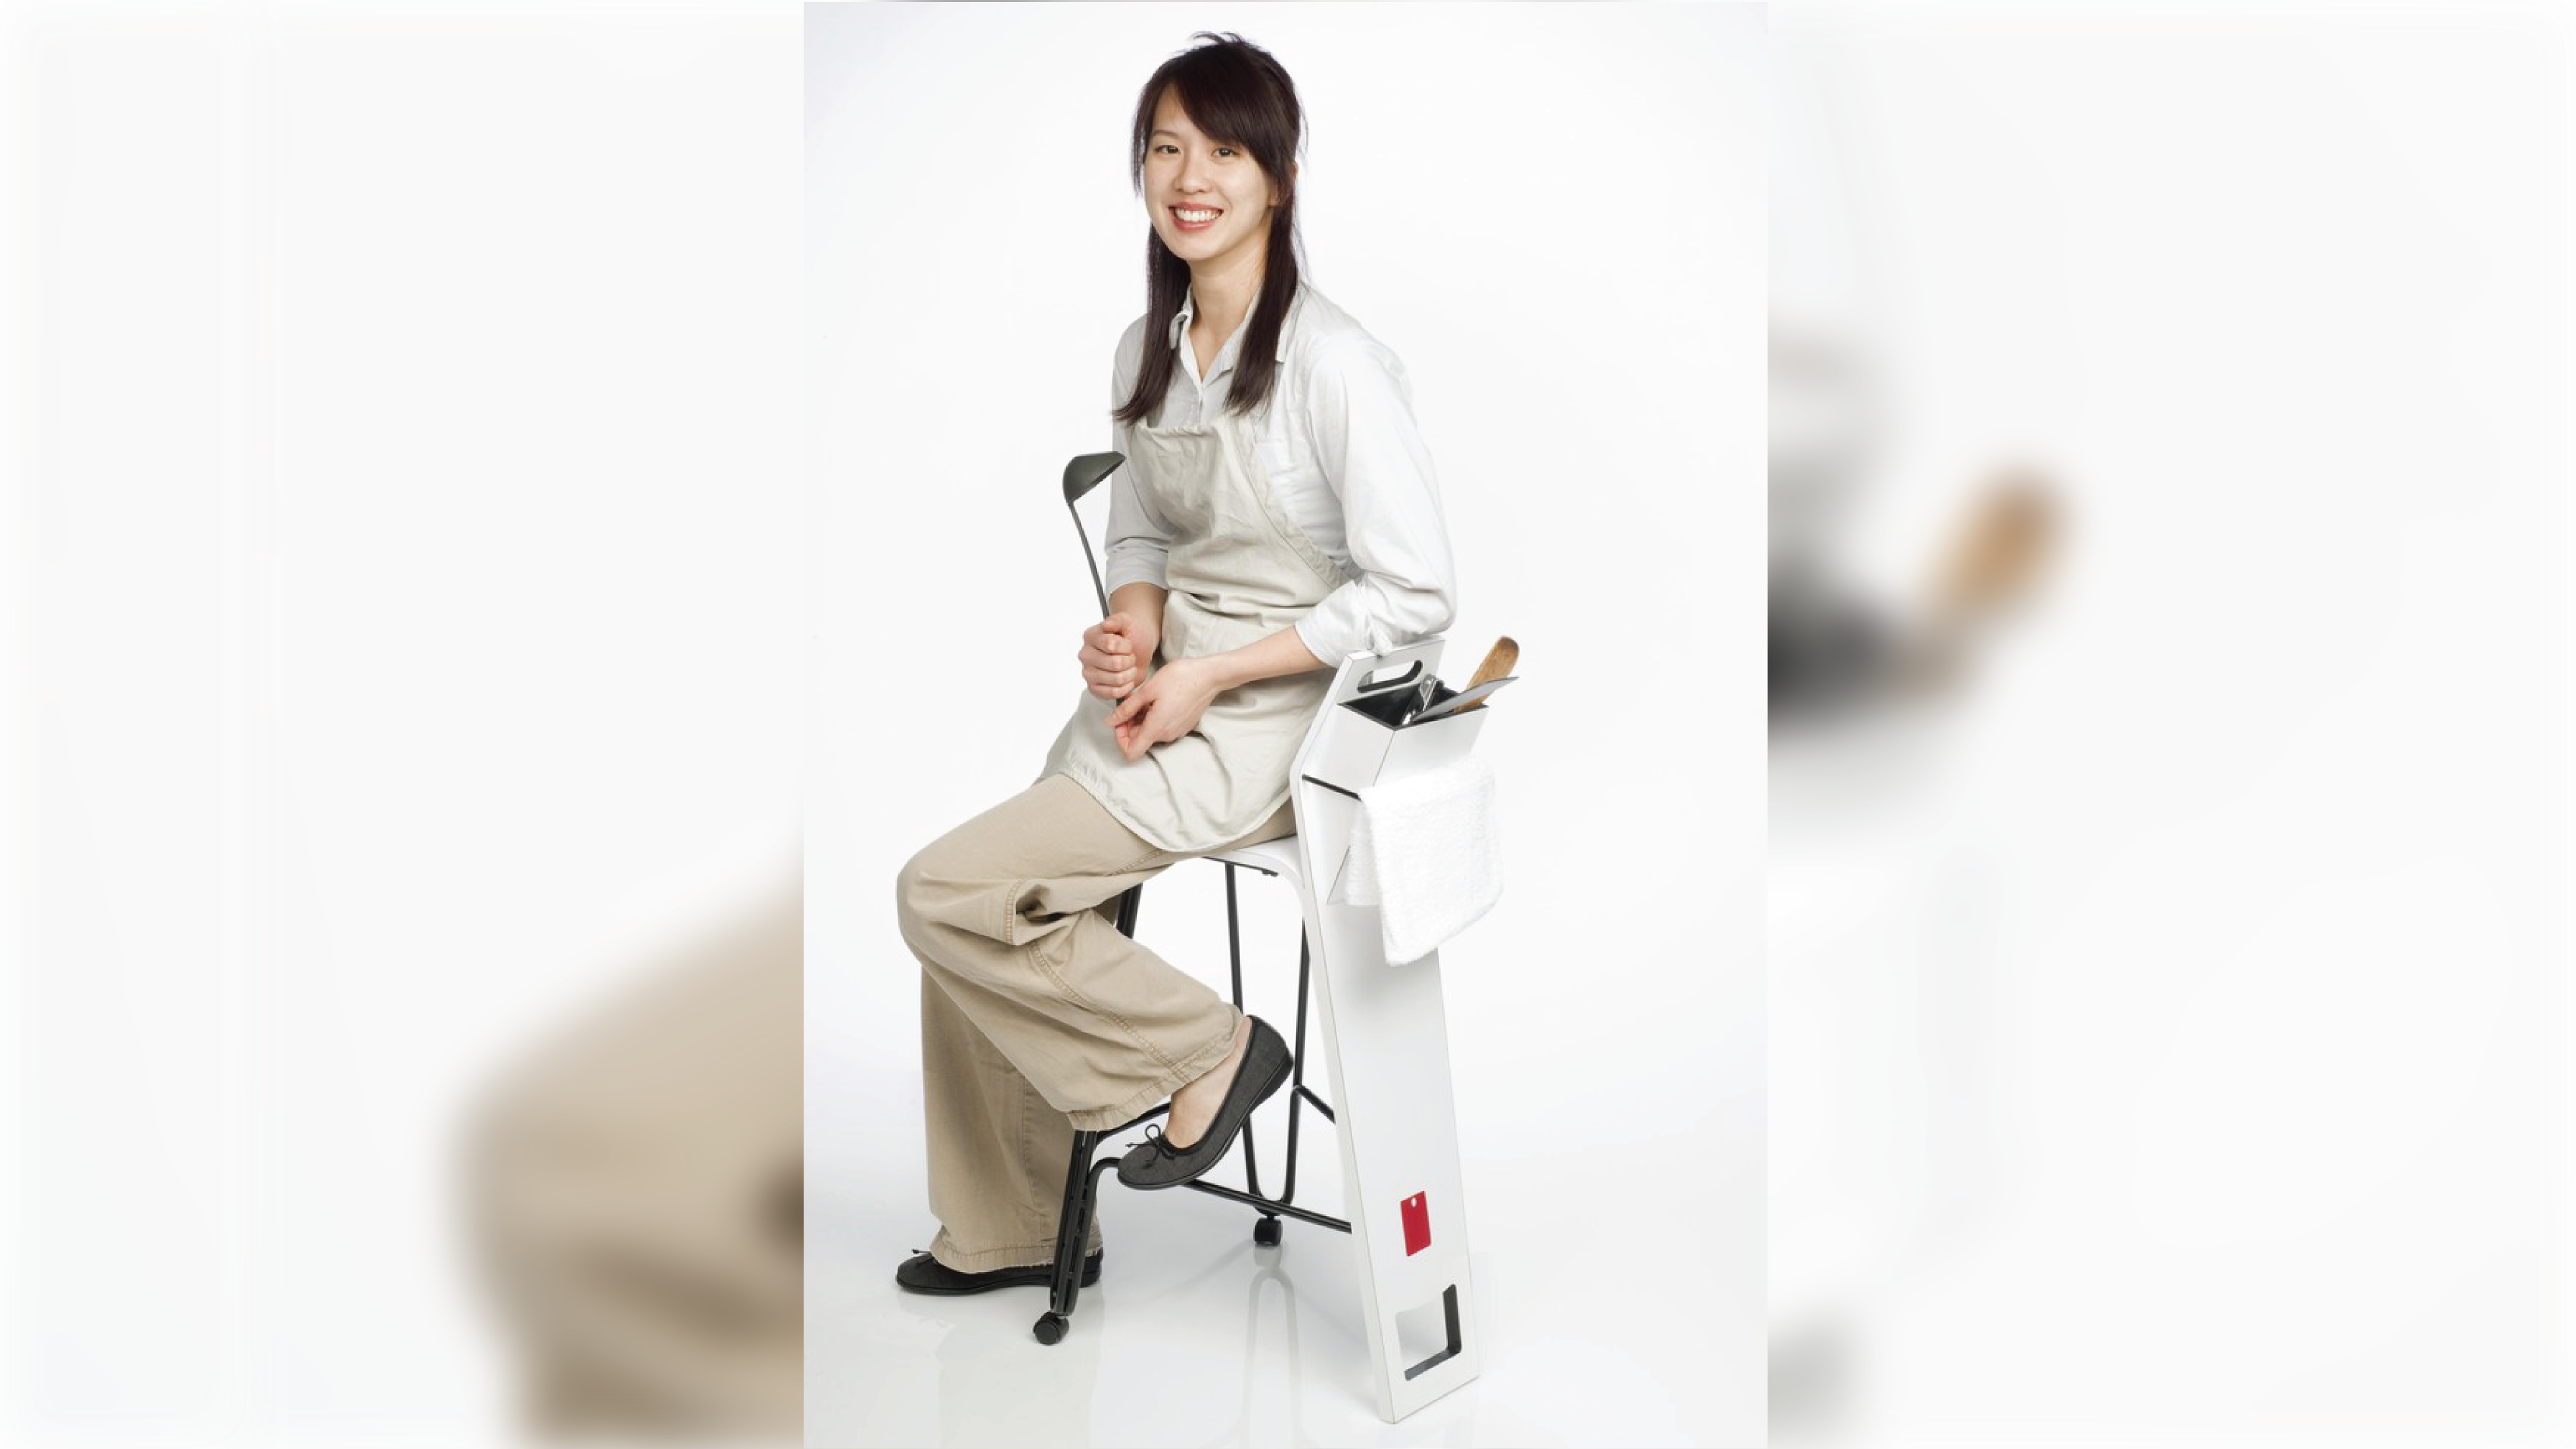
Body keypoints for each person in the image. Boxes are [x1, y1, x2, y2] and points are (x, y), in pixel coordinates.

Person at [893, 32, 1456, 1295]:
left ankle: (1208, 1051)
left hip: (1279, 721)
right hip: (1170, 692)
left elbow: (1417, 595)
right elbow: (1142, 524)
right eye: (1163, 148)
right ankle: (1010, 1225)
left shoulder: (1335, 367)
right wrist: (1136, 626)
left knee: (939, 890)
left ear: (1280, 176)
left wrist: (1211, 673)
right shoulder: (1145, 350)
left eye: (1222, 149)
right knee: (983, 903)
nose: (1188, 175)